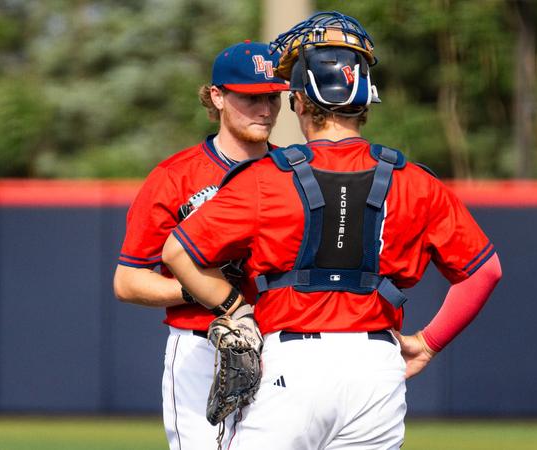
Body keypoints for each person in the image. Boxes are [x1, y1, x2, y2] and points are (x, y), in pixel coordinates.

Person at [162, 11, 502, 450]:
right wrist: (428, 343)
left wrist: (234, 308)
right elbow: (484, 271)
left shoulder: (266, 179)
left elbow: (177, 253)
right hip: (376, 368)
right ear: (365, 99)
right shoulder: (415, 181)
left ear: (299, 102)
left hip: (291, 363)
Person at [113, 40, 288, 450]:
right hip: (201, 346)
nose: (266, 109)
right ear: (217, 96)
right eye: (250, 97)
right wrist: (198, 287)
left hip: (280, 344)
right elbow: (127, 281)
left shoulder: (293, 173)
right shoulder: (175, 177)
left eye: (273, 97)